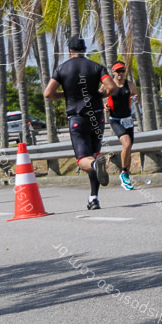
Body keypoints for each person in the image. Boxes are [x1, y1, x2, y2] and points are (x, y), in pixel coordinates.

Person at [43, 36, 119, 210]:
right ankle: (93, 198)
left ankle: (94, 165)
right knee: (93, 153)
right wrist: (100, 95)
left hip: (77, 117)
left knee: (84, 159)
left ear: (69, 51)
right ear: (84, 50)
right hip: (96, 116)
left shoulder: (61, 69)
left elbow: (48, 93)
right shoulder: (96, 67)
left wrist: (65, 95)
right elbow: (112, 87)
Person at [104, 61, 136, 190]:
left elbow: (135, 95)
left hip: (127, 120)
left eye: (122, 71)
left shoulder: (130, 84)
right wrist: (104, 105)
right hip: (115, 120)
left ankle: (126, 175)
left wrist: (136, 98)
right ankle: (123, 173)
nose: (120, 74)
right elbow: (100, 96)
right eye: (117, 71)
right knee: (126, 144)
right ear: (113, 72)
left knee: (129, 148)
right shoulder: (108, 85)